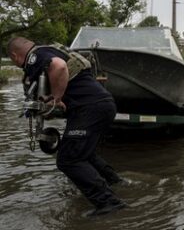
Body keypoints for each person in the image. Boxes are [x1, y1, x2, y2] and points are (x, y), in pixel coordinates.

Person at [7, 37, 125, 216]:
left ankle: (109, 202)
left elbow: (59, 66)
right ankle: (116, 183)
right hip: (99, 105)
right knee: (84, 154)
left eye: (14, 61)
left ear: (15, 56)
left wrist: (56, 98)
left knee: (68, 159)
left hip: (90, 108)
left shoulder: (35, 56)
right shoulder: (48, 50)